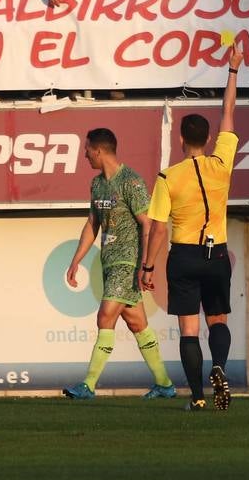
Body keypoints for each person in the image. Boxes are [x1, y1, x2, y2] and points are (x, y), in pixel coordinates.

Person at [142, 43, 243, 412]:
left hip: (183, 255)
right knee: (217, 319)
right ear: (209, 139)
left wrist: (148, 267)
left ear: (182, 139)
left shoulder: (168, 177)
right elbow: (228, 111)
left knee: (188, 328)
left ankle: (198, 397)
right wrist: (232, 70)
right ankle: (219, 366)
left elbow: (157, 228)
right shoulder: (222, 165)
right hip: (216, 253)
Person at [63, 128, 176, 401]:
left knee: (104, 317)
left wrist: (145, 265)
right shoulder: (97, 184)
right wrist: (76, 259)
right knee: (137, 323)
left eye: (87, 149)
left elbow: (147, 224)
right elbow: (93, 223)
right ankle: (165, 384)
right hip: (110, 263)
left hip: (128, 261)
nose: (84, 155)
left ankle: (88, 385)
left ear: (99, 151)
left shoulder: (131, 181)